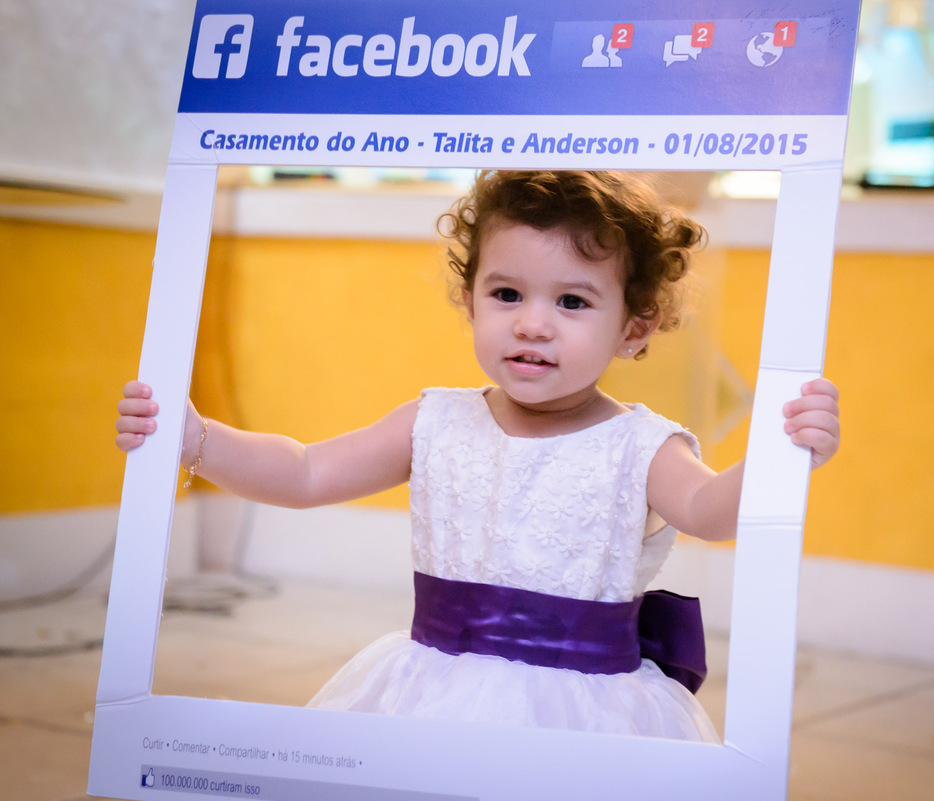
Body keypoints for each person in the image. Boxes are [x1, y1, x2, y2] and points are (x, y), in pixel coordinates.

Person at [115, 171, 840, 742]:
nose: (532, 322)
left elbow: (712, 512)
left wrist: (783, 454)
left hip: (585, 711)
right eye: (507, 292)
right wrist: (199, 440)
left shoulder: (640, 447)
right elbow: (307, 471)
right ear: (469, 299)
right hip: (432, 688)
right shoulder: (434, 421)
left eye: (574, 302)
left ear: (633, 326)